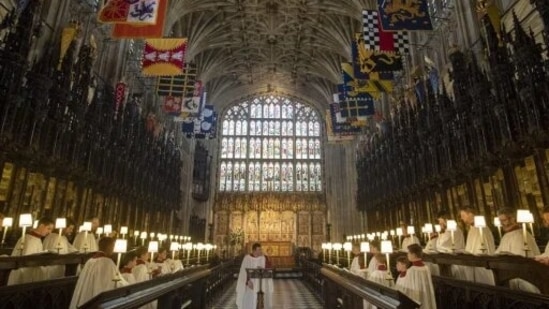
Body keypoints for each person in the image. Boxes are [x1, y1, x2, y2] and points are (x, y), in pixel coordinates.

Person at [69, 237, 127, 309]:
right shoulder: (107, 262)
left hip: (86, 296)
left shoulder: (90, 260)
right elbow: (113, 283)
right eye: (113, 246)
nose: (113, 249)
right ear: (109, 247)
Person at [495, 207, 541, 293]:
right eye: (500, 221)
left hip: (525, 278)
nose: (502, 224)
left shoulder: (522, 235)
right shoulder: (506, 236)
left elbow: (521, 259)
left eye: (504, 220)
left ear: (512, 219)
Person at [7, 217, 54, 285]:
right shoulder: (28, 239)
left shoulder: (37, 239)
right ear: (41, 226)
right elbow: (25, 259)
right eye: (48, 228)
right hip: (21, 273)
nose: (50, 232)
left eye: (51, 230)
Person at [459, 206, 496, 284]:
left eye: (463, 216)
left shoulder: (483, 229)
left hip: (482, 266)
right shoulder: (472, 229)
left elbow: (483, 248)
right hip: (472, 264)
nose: (461, 219)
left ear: (470, 214)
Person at [397, 244, 437, 309]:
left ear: (414, 255)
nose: (407, 255)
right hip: (425, 297)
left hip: (416, 298)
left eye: (409, 253)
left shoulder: (411, 270)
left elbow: (408, 290)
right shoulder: (426, 267)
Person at [236, 242, 273, 309]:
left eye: (260, 250)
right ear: (253, 250)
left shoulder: (263, 258)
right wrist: (247, 281)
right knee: (249, 300)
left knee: (260, 300)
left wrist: (266, 259)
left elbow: (269, 268)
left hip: (261, 284)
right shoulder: (247, 258)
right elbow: (243, 272)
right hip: (250, 284)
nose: (260, 251)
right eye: (258, 250)